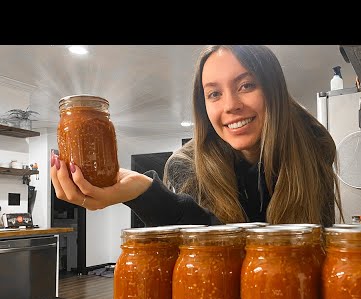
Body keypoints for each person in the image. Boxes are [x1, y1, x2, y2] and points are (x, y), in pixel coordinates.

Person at [51, 45, 343, 227]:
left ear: (274, 90)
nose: (230, 106)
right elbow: (202, 254)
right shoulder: (185, 166)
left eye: (246, 85)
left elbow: (319, 245)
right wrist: (145, 193)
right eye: (214, 94)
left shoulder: (313, 144)